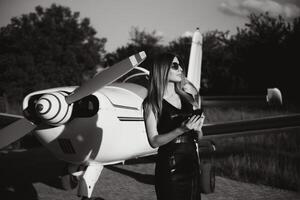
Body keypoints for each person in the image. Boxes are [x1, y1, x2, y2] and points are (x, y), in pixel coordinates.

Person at [143, 52, 205, 200]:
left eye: (180, 66)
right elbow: (154, 141)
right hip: (169, 166)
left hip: (191, 164)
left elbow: (199, 136)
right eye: (175, 66)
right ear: (162, 69)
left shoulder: (188, 98)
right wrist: (181, 129)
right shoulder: (152, 103)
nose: (181, 70)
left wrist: (197, 129)